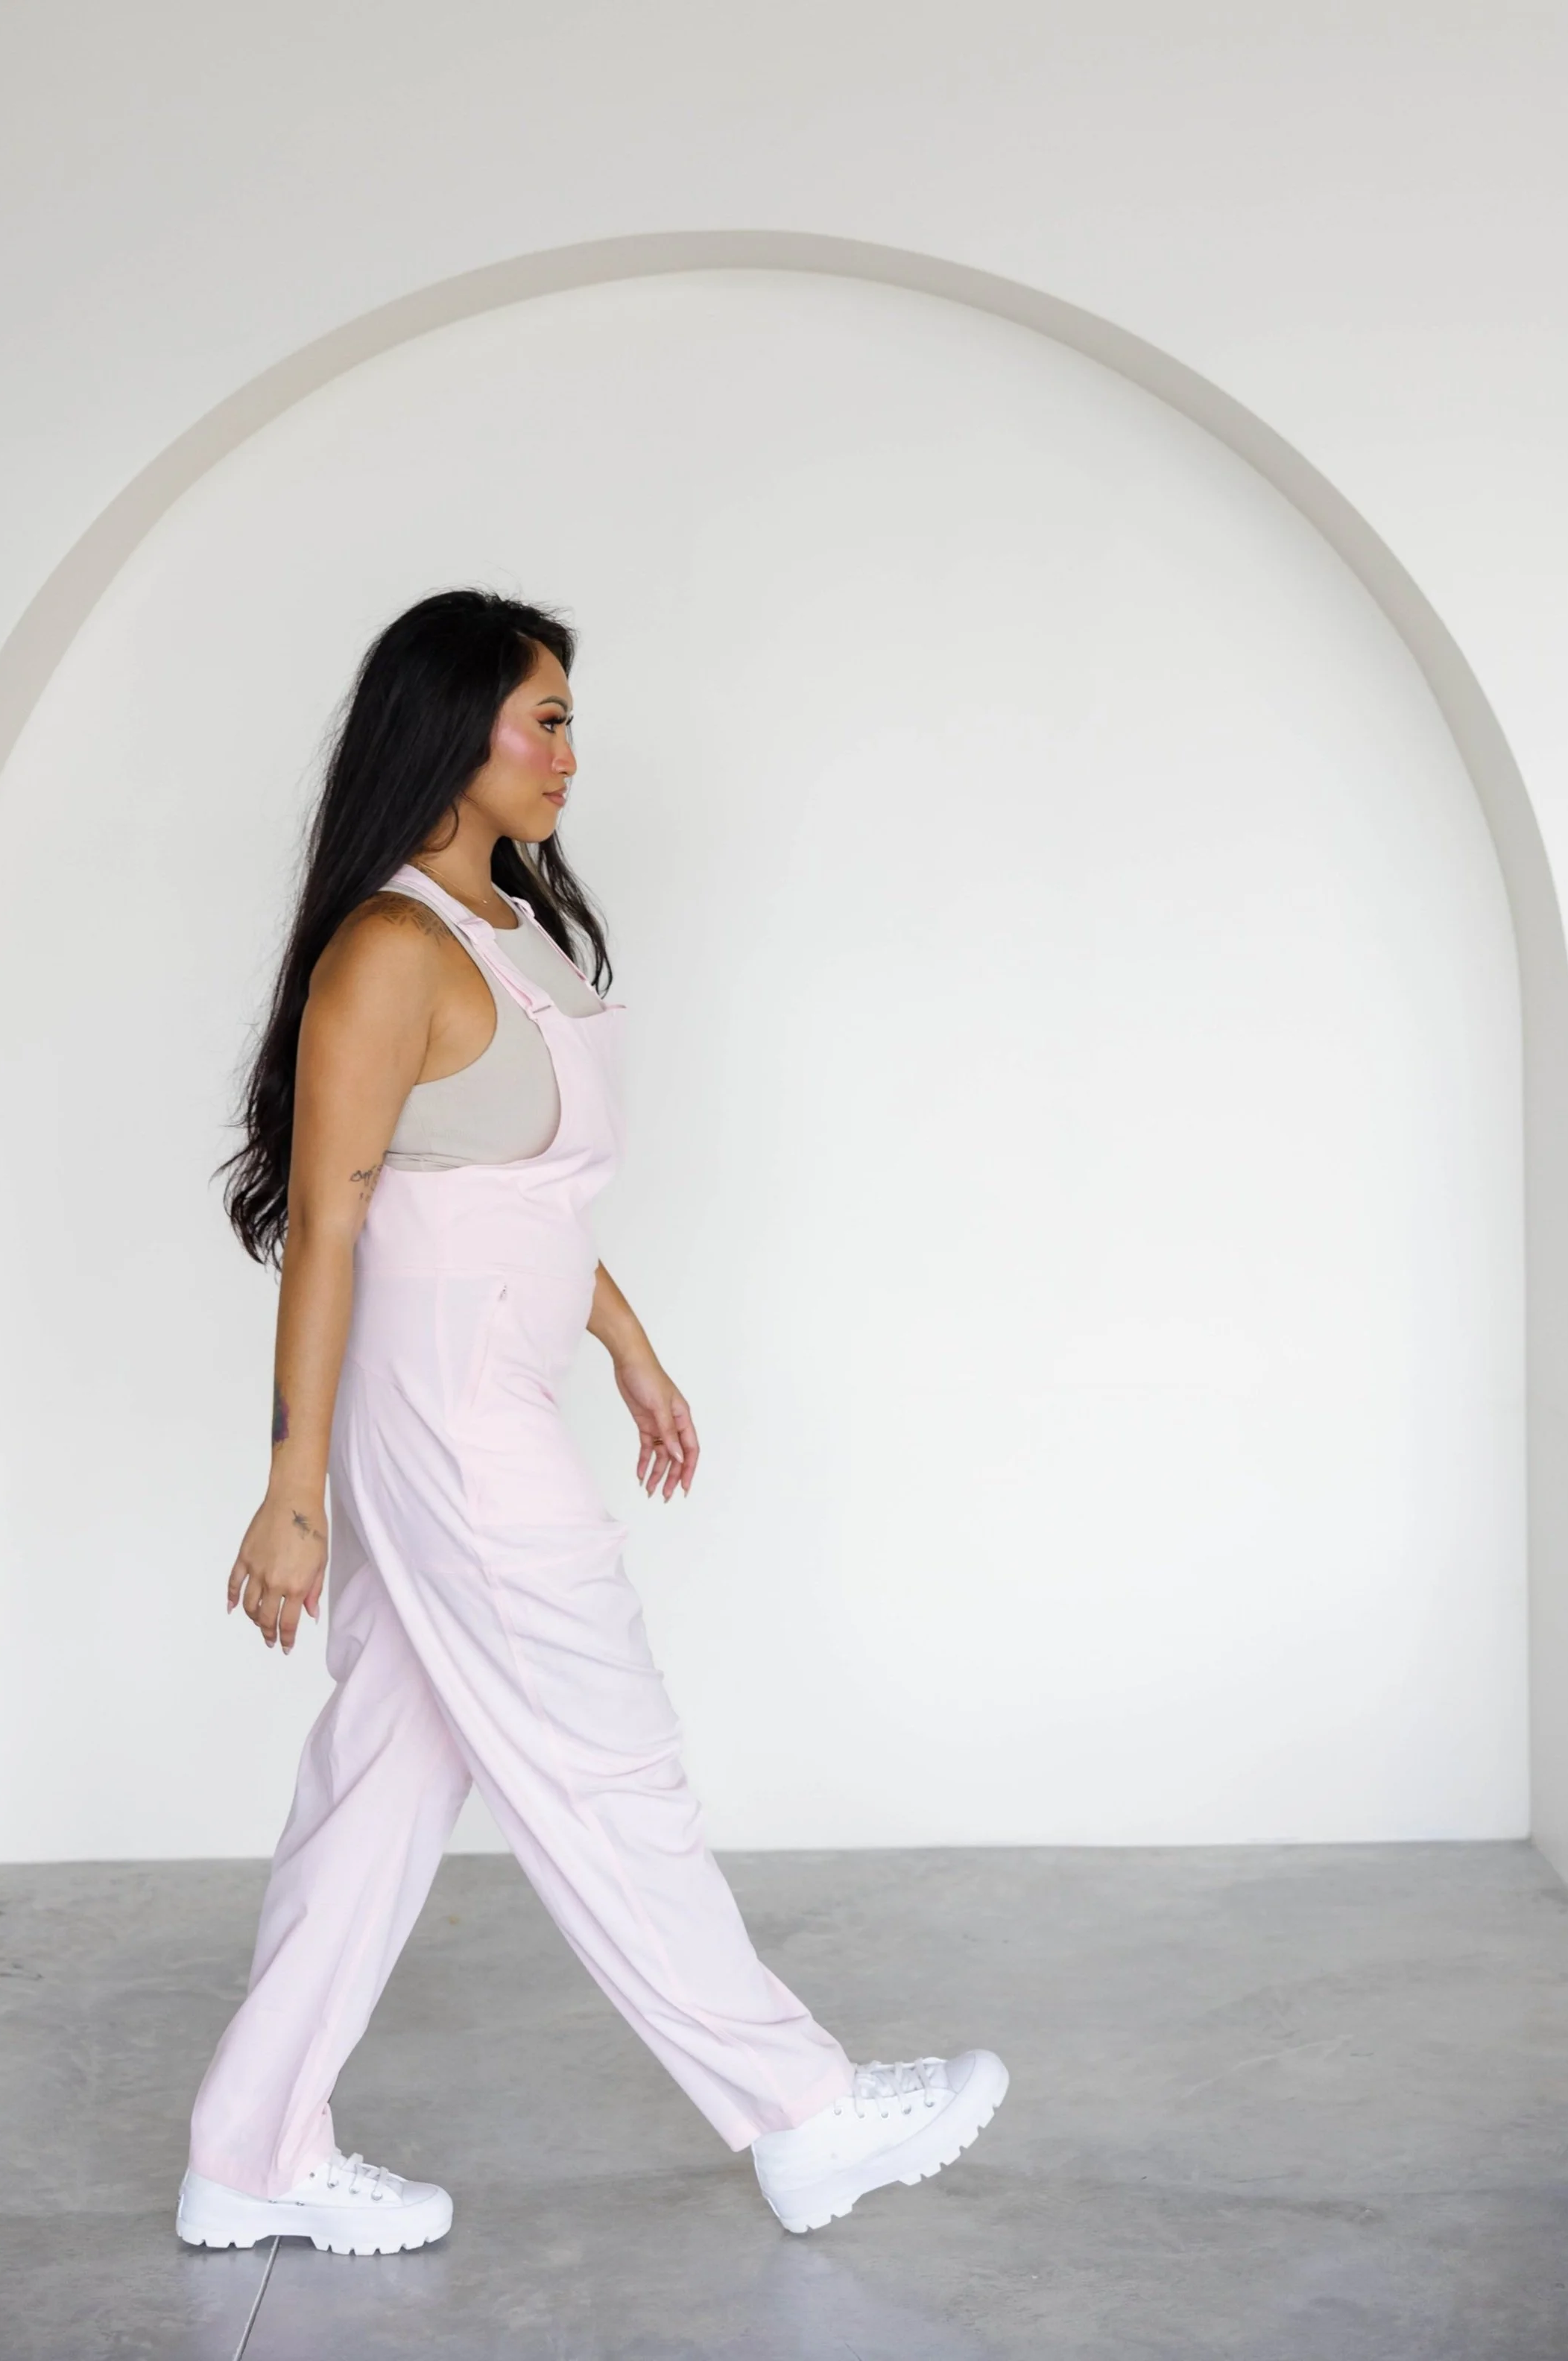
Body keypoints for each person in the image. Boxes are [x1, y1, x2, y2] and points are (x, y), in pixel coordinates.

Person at [174, 589, 1007, 2256]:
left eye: (569, 720)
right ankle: (803, 2113)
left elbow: (522, 1192)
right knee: (607, 1762)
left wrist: (626, 1342)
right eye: (542, 718)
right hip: (445, 1429)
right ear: (451, 727)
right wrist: (291, 1489)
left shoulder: (506, 928)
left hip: (483, 1397)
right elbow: (332, 1224)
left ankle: (248, 2151)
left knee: (382, 1785)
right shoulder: (390, 951)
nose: (569, 751)